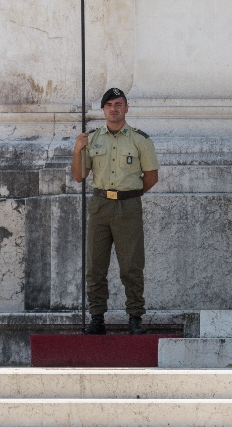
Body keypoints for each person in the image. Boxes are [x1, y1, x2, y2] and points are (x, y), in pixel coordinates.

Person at [71, 88, 159, 335]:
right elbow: (79, 176)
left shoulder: (140, 140)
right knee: (95, 265)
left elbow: (151, 176)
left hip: (128, 206)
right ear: (103, 109)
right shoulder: (93, 139)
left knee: (131, 265)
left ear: (126, 108)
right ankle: (97, 317)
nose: (114, 109)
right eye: (109, 105)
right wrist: (77, 149)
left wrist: (131, 195)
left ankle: (135, 317)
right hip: (100, 205)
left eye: (119, 104)